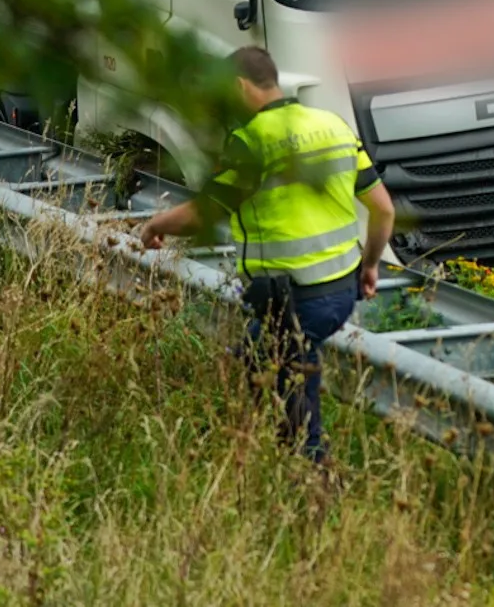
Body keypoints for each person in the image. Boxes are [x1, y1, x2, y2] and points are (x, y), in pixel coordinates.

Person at [138, 47, 394, 459]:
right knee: (262, 358)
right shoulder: (333, 124)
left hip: (293, 298)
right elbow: (383, 209)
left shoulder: (252, 141)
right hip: (341, 292)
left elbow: (203, 215)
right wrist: (370, 266)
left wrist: (153, 226)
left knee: (288, 378)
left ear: (239, 86)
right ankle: (242, 443)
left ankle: (313, 474)